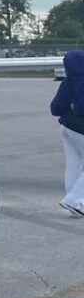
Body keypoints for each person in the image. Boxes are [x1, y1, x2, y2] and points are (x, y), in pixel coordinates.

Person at [52, 50, 84, 217]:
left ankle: (76, 206)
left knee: (73, 165)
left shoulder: (68, 81)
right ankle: (73, 200)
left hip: (68, 128)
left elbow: (55, 108)